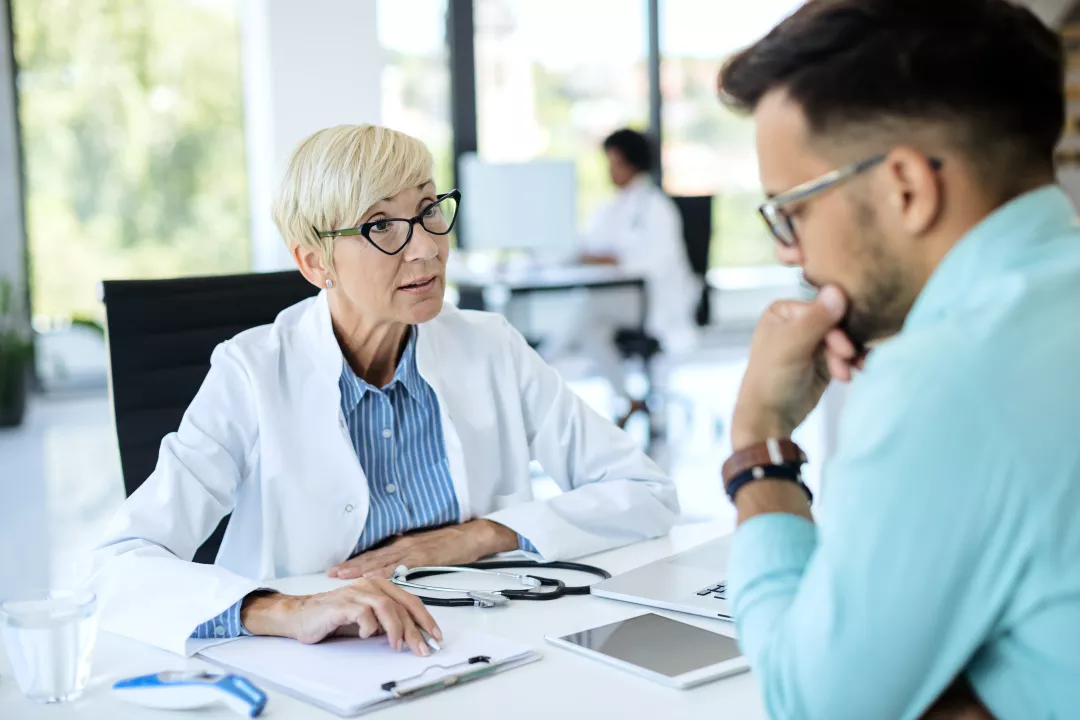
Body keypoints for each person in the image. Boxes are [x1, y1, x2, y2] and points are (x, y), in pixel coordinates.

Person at [90, 124, 679, 657]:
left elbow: (645, 491)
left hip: (486, 643)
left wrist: (475, 537)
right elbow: (119, 564)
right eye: (381, 226)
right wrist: (287, 610)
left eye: (428, 210)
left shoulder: (490, 344)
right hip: (315, 664)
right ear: (315, 261)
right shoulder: (251, 372)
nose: (425, 246)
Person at [715, 0, 1080, 718]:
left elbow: (814, 704)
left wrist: (758, 442)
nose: (789, 252)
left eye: (792, 210)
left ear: (907, 188)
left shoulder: (949, 381)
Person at [545, 128, 700, 426]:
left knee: (586, 306)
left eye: (615, 163)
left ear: (632, 164)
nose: (610, 171)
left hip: (654, 299)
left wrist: (608, 258)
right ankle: (628, 399)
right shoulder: (611, 206)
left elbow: (651, 262)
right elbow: (588, 244)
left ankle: (540, 362)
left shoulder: (656, 207)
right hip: (622, 297)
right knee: (591, 329)